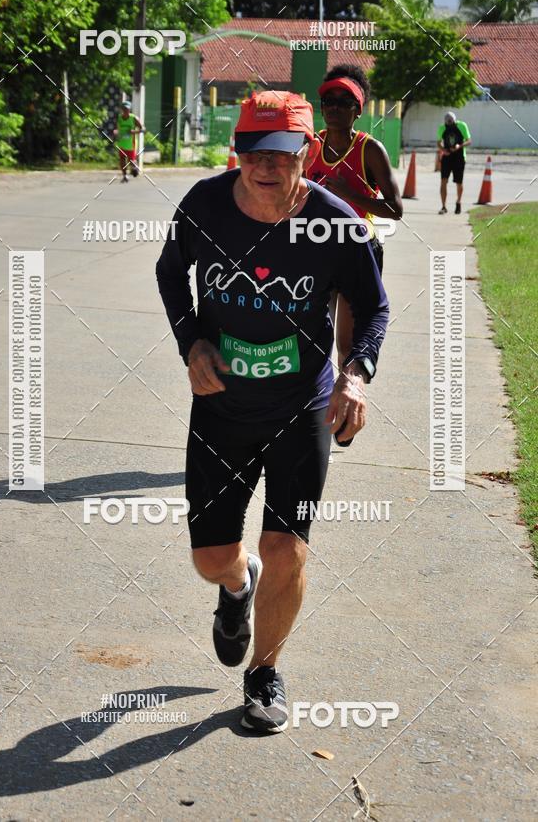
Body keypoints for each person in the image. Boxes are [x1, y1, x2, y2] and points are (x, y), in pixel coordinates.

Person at [156, 91, 389, 734]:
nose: (265, 166)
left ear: (307, 153)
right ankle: (238, 586)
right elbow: (171, 273)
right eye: (253, 151)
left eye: (281, 154)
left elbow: (373, 307)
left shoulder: (337, 223)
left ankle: (264, 673)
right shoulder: (203, 206)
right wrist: (191, 342)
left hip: (301, 406)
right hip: (222, 408)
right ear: (237, 151)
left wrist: (355, 375)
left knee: (286, 547)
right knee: (212, 559)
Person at [307, 64, 402, 366]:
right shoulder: (310, 145)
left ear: (357, 110)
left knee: (346, 345)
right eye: (328, 101)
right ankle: (318, 395)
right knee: (310, 338)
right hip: (315, 248)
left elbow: (395, 209)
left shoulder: (369, 150)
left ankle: (348, 394)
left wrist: (350, 195)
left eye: (343, 102)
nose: (334, 107)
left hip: (357, 250)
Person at [437, 111, 471, 215]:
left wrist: (459, 146)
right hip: (447, 157)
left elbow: (469, 140)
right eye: (448, 122)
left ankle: (458, 202)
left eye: (451, 122)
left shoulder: (462, 126)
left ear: (455, 120)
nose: (449, 124)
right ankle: (443, 206)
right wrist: (443, 150)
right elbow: (438, 142)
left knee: (459, 182)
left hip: (459, 157)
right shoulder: (442, 128)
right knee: (443, 181)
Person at [113, 100, 143, 182]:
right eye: (124, 109)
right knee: (122, 159)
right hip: (121, 142)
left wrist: (134, 131)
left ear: (129, 109)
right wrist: (116, 131)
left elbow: (143, 129)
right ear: (122, 109)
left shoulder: (134, 118)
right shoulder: (119, 118)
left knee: (131, 161)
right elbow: (118, 128)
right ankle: (125, 176)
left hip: (131, 143)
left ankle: (135, 167)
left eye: (127, 109)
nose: (126, 110)